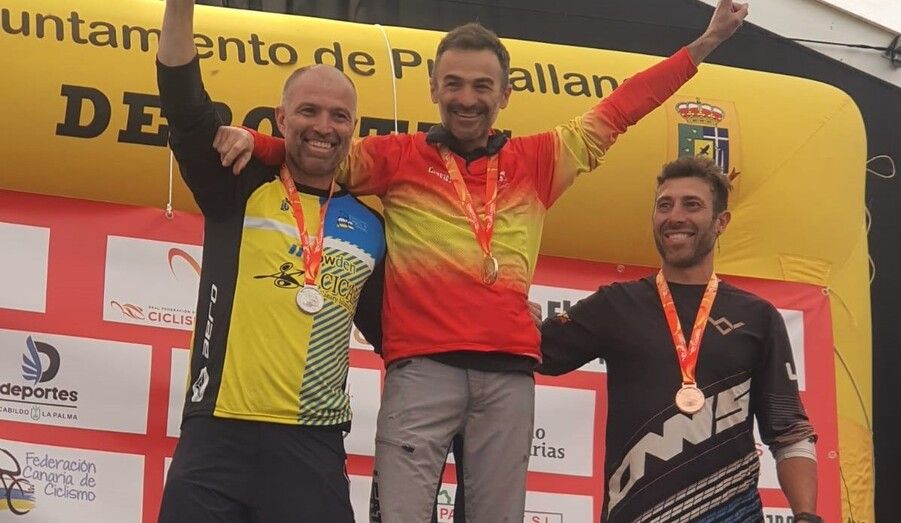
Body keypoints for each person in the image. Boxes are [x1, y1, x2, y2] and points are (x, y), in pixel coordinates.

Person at [215, 3, 748, 521]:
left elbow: (623, 107)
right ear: (433, 88)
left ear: (505, 94)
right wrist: (255, 141)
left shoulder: (539, 161)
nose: (466, 98)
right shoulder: (396, 158)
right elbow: (316, 153)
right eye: (454, 84)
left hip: (507, 378)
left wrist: (705, 44)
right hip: (421, 371)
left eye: (481, 86)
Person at [155, 1, 386, 521]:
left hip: (313, 443)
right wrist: (179, 8)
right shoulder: (236, 183)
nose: (323, 126)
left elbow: (403, 333)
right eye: (308, 111)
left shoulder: (372, 225)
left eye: (338, 116)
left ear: (353, 126)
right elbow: (184, 103)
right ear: (282, 117)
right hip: (217, 434)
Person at [538, 156, 820, 522]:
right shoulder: (617, 305)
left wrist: (806, 515)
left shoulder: (758, 317)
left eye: (692, 205)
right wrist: (508, 310)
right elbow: (536, 350)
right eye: (664, 205)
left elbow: (789, 432)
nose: (675, 216)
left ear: (721, 222)